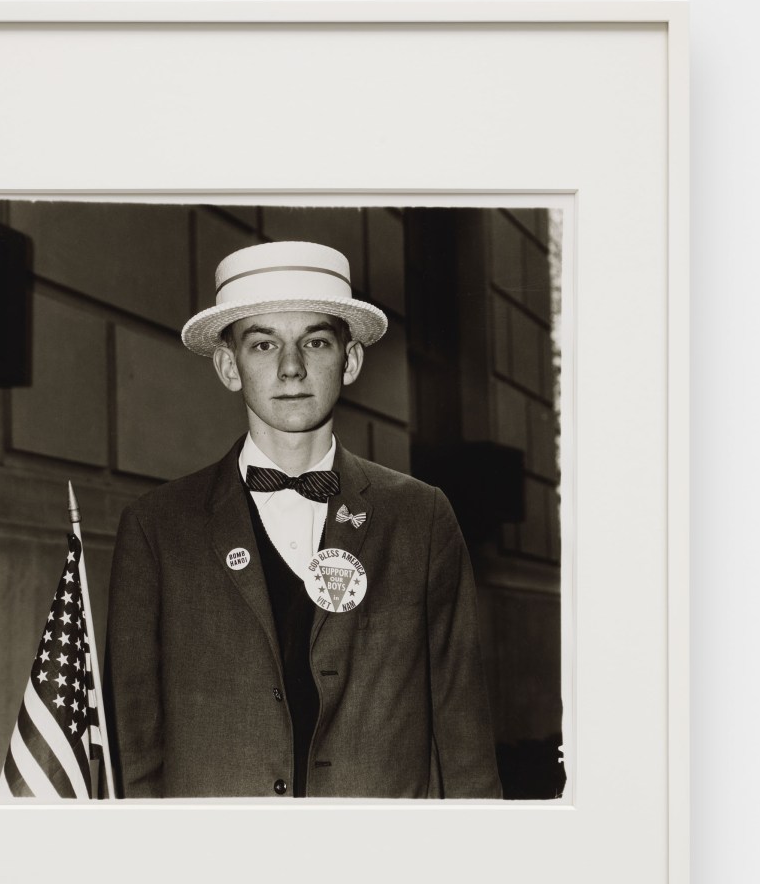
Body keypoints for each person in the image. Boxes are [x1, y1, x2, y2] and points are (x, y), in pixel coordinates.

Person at [104, 240, 502, 799]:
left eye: (315, 342)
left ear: (350, 360)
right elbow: (131, 745)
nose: (291, 368)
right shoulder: (158, 528)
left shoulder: (420, 518)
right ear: (229, 366)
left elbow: (463, 732)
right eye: (263, 344)